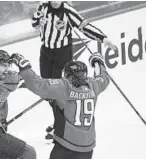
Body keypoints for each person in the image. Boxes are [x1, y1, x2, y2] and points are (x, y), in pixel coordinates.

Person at [31, 1, 116, 140]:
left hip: (62, 53)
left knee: (60, 89)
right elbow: (34, 25)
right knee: (48, 89)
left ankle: (61, 125)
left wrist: (103, 38)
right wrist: (39, 20)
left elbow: (84, 26)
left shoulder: (68, 11)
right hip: (46, 52)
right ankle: (59, 119)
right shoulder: (43, 7)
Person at [10, 52, 110, 159]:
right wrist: (98, 62)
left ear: (69, 75)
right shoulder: (94, 85)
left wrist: (25, 68)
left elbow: (38, 84)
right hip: (87, 147)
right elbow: (104, 77)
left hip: (66, 145)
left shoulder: (63, 87)